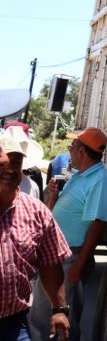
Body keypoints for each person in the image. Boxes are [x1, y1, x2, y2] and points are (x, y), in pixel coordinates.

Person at [30, 128, 107, 341]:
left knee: (64, 320)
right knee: (41, 316)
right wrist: (53, 197)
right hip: (56, 257)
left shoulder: (100, 181)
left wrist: (78, 266)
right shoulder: (81, 176)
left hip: (69, 259)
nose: (69, 152)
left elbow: (97, 226)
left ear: (82, 151)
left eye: (71, 147)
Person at [0, 130, 70, 341]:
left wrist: (59, 309)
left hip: (13, 325)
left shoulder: (36, 211)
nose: (11, 169)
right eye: (3, 162)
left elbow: (50, 264)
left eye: (17, 161)